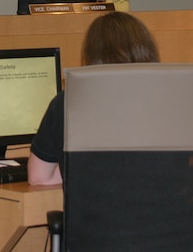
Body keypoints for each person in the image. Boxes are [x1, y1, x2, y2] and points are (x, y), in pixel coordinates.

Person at [27, 11, 160, 185]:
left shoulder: (67, 102)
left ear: (92, 55)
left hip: (95, 212)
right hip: (170, 211)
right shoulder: (170, 102)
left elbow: (40, 177)